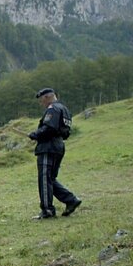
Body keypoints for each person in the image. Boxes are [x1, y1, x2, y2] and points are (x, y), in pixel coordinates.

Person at [28, 88, 82, 219]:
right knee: (51, 179)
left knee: (45, 179)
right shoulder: (65, 110)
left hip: (48, 147)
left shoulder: (53, 109)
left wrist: (35, 134)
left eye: (41, 100)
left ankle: (47, 210)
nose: (42, 104)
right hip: (58, 146)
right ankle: (71, 200)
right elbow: (66, 132)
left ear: (47, 97)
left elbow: (49, 128)